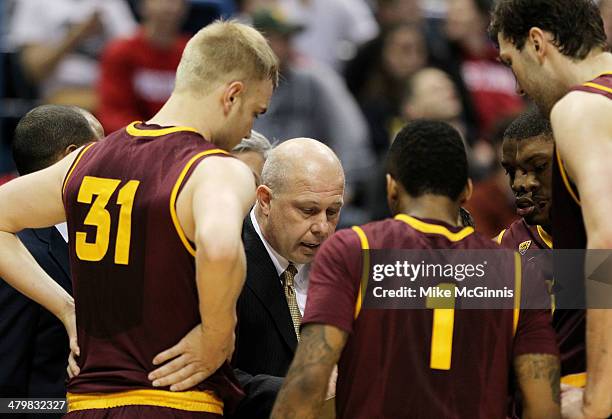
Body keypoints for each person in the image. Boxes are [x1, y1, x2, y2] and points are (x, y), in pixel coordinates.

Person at [0, 20, 278, 418]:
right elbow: (219, 248)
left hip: (87, 405)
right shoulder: (216, 169)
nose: (250, 128)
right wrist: (217, 337)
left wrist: (67, 309)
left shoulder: (87, 160)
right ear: (232, 95)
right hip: (173, 402)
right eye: (255, 111)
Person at [271, 119, 561, 419]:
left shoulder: (351, 250)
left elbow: (307, 384)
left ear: (391, 187)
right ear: (466, 191)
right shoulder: (518, 270)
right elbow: (543, 408)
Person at [490, 1, 612, 416]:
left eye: (511, 62)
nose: (518, 87)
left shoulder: (581, 107)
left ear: (538, 43)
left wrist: (598, 397)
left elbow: (606, 244)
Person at [228, 138, 344, 419]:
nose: (322, 227)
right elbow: (211, 377)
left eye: (333, 211)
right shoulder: (225, 258)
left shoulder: (345, 259)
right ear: (265, 200)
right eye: (308, 210)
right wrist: (302, 391)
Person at [0, 106, 103, 407]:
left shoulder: (106, 232)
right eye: (101, 147)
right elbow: (7, 376)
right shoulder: (17, 255)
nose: (112, 161)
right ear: (70, 157)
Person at [8, 0, 136, 111]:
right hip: (61, 94)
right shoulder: (35, 3)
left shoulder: (112, 3)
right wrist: (77, 34)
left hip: (112, 90)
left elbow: (137, 55)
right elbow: (35, 71)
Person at [97, 0, 190, 133]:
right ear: (143, 5)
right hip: (132, 140)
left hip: (180, 139)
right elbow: (112, 113)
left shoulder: (193, 54)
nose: (170, 8)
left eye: (176, 2)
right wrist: (151, 135)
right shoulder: (121, 52)